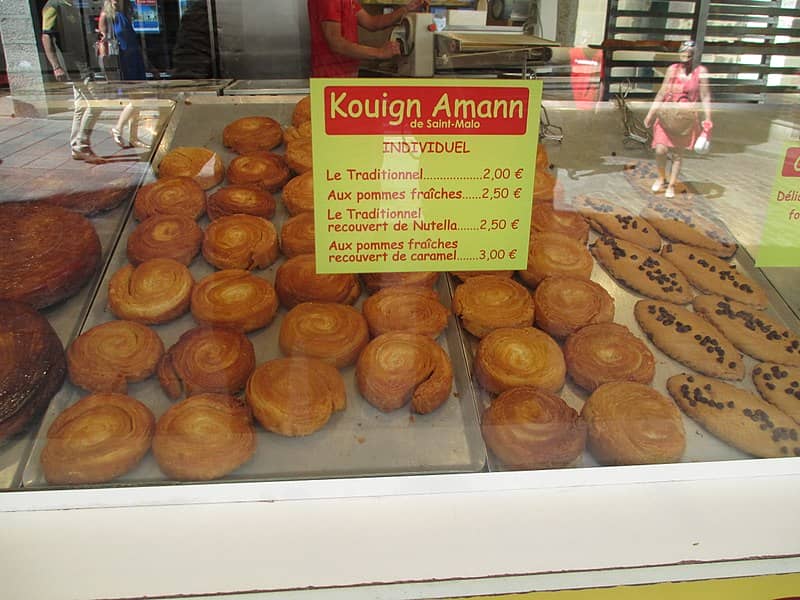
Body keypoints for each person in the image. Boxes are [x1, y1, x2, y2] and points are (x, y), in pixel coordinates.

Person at [643, 40, 712, 199]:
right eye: (683, 53)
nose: (686, 57)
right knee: (660, 150)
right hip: (667, 114)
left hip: (685, 119)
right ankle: (661, 177)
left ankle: (672, 184)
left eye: (689, 54)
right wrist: (650, 114)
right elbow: (661, 92)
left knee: (677, 154)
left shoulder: (701, 72)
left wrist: (708, 117)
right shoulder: (672, 69)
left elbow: (705, 96)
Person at [41, 0, 101, 162]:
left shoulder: (71, 6)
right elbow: (46, 36)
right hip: (77, 66)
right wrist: (56, 66)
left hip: (82, 63)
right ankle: (82, 145)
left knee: (80, 107)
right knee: (97, 104)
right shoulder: (53, 6)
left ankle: (76, 146)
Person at [308, 0, 430, 78]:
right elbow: (336, 43)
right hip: (330, 77)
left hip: (346, 75)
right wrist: (379, 53)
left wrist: (406, 9)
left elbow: (372, 23)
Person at [98, 0, 153, 148]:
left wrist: (148, 64)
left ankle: (133, 137)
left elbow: (133, 42)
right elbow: (103, 42)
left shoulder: (124, 14)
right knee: (135, 100)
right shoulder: (106, 15)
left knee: (138, 100)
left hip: (134, 60)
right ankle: (118, 128)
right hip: (123, 62)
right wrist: (107, 70)